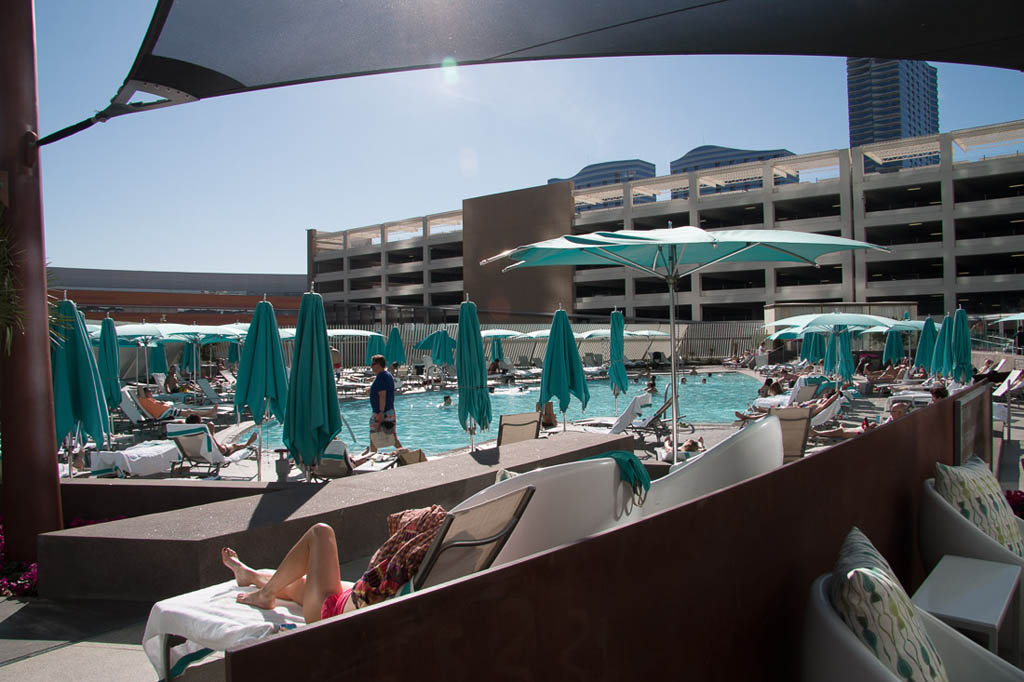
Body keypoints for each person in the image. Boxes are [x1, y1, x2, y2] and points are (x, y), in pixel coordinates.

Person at [225, 505, 447, 623]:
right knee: (298, 587)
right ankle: (250, 576)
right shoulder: (448, 558)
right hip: (350, 598)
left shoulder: (409, 561)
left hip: (331, 613)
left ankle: (264, 595)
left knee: (320, 532)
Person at [813, 400, 910, 439]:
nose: (890, 414)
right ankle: (820, 432)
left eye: (892, 412)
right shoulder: (896, 419)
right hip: (872, 431)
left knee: (841, 431)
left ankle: (817, 433)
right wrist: (875, 426)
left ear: (899, 413)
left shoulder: (898, 424)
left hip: (870, 436)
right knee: (846, 429)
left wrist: (873, 429)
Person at [368, 354, 402, 453]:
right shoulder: (387, 375)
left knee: (374, 437)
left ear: (378, 364)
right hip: (389, 411)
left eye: (373, 364)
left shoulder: (381, 377)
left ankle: (372, 457)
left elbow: (382, 395)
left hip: (381, 412)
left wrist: (381, 413)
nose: (372, 366)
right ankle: (405, 453)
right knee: (391, 437)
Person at [183, 415, 258, 456]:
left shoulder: (184, 435)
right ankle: (247, 444)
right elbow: (217, 448)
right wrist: (211, 431)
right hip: (212, 453)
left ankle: (246, 444)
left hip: (192, 455)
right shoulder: (202, 433)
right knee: (234, 446)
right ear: (198, 424)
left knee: (230, 445)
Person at [137, 386, 216, 420]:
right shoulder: (143, 399)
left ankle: (209, 413)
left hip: (167, 410)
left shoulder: (150, 399)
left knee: (188, 411)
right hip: (164, 413)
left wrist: (162, 403)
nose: (151, 393)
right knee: (189, 412)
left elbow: (157, 404)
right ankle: (209, 413)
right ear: (145, 393)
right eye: (149, 391)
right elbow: (140, 389)